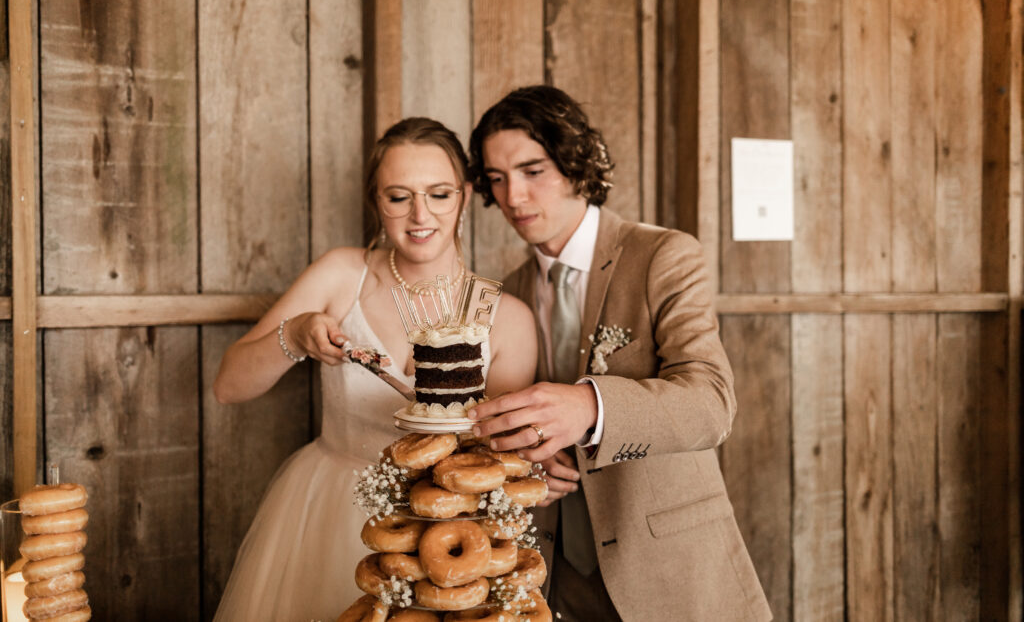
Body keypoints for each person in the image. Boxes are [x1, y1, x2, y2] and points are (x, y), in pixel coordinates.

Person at [211, 117, 537, 622]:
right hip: (326, 512)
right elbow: (229, 385)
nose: (420, 215)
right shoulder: (343, 275)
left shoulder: (508, 318)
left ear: (466, 197)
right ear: (376, 202)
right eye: (398, 197)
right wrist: (295, 335)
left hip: (449, 534)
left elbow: (502, 457)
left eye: (439, 194)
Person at [465, 86, 771, 621]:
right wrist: (525, 463)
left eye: (532, 170)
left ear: (576, 164)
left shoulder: (663, 256)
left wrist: (589, 408)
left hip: (667, 572)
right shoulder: (504, 295)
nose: (513, 197)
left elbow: (712, 404)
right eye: (496, 178)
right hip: (553, 579)